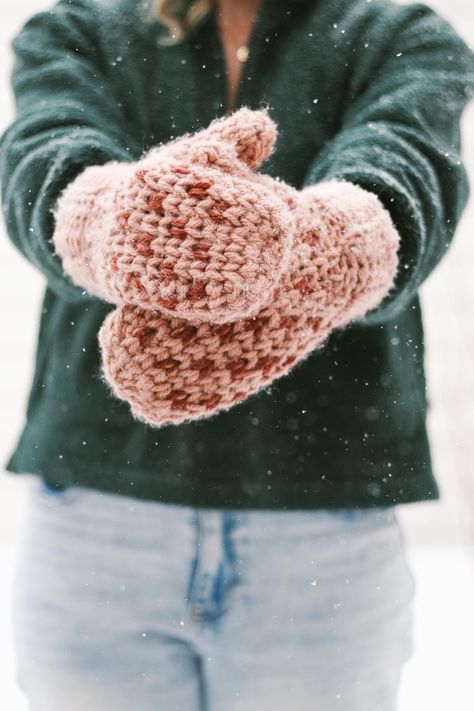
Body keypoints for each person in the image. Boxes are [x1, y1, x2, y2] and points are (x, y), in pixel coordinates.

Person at [1, 0, 473, 709]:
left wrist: (320, 251)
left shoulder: (400, 33)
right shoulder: (78, 28)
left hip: (322, 523)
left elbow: (407, 169)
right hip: (98, 520)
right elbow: (45, 159)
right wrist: (115, 223)